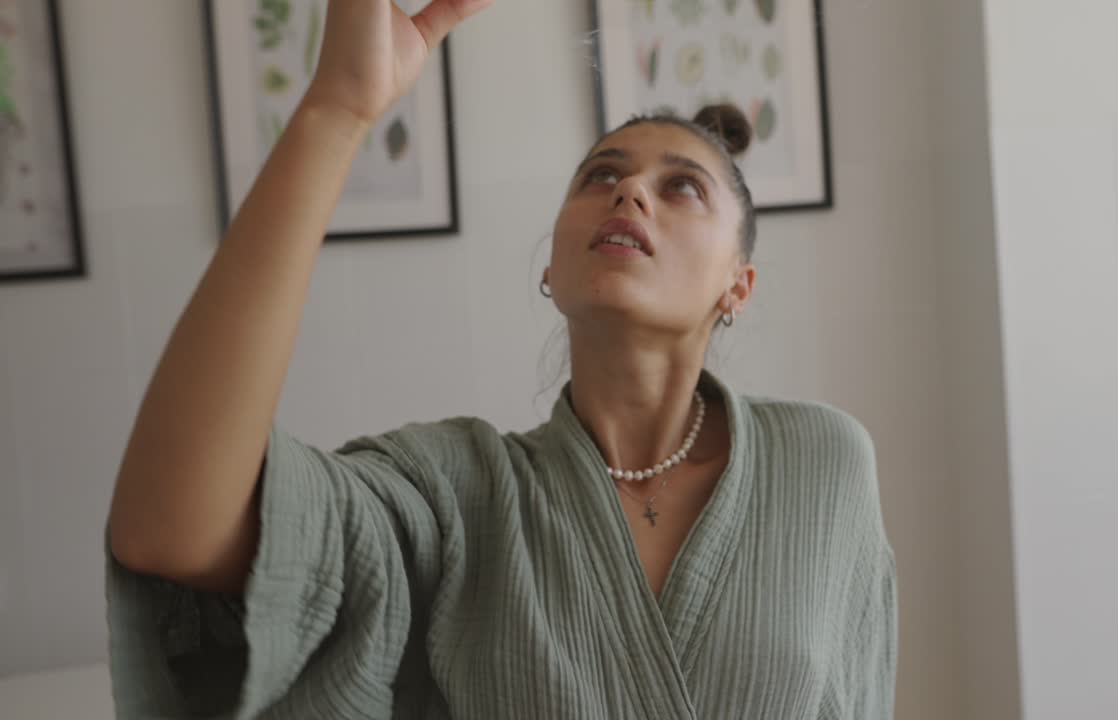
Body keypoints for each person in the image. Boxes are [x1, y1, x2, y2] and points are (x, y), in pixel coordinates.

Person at [103, 0, 897, 717]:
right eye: (602, 176)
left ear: (739, 284)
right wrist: (336, 111)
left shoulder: (826, 462)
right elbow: (169, 531)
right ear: (552, 269)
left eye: (682, 187)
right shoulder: (457, 496)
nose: (630, 195)